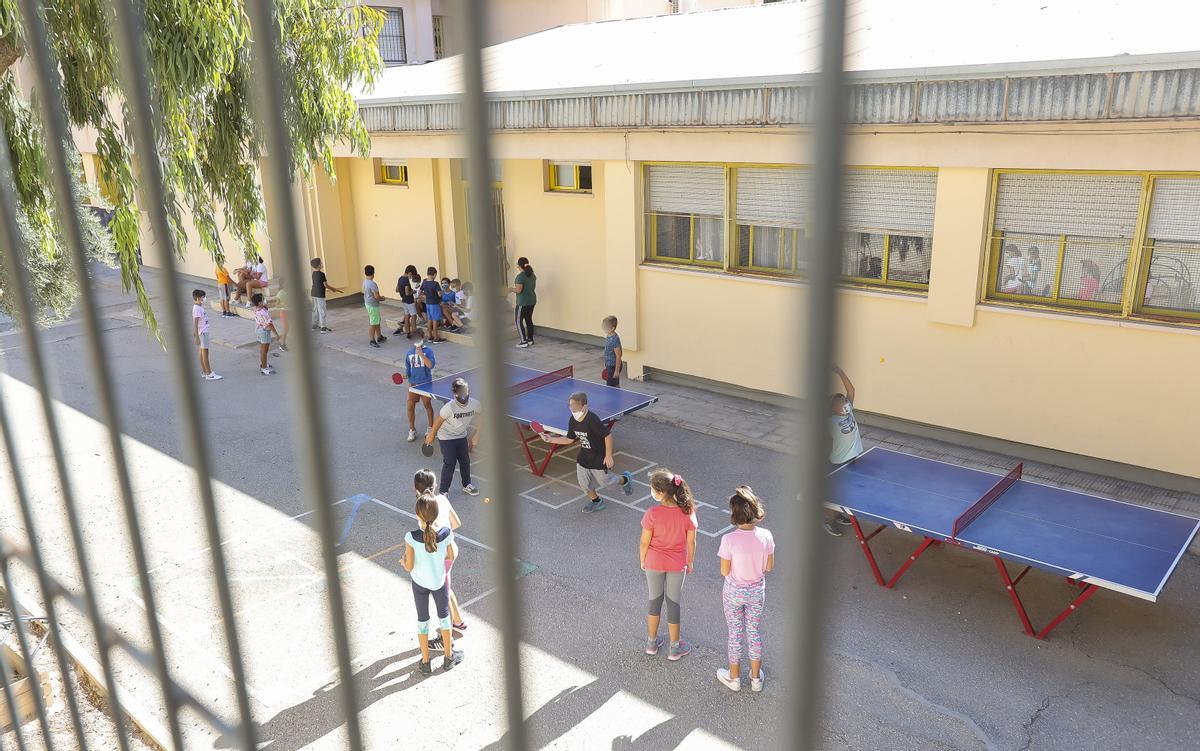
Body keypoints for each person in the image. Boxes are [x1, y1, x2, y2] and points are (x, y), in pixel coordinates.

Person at [716, 486, 774, 692]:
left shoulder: (729, 540)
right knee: (753, 632)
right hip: (757, 592)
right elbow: (768, 567)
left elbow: (724, 571)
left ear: (734, 515)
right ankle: (756, 679)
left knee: (735, 633)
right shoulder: (766, 536)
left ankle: (734, 678)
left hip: (733, 592)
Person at [538, 391, 633, 513]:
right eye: (570, 406)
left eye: (575, 406)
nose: (572, 409)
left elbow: (607, 436)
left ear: (584, 406)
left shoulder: (591, 419)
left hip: (598, 457)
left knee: (606, 482)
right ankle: (597, 501)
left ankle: (625, 479)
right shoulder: (573, 420)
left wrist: (608, 456)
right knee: (584, 484)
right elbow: (569, 439)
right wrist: (551, 439)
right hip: (584, 457)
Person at [400, 493, 463, 673]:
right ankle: (448, 658)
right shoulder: (446, 532)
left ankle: (426, 661)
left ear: (418, 515)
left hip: (420, 582)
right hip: (439, 581)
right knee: (444, 618)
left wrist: (404, 562)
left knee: (422, 620)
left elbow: (410, 566)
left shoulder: (411, 537)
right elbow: (451, 555)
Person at [639, 469, 697, 662]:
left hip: (653, 562)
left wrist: (643, 560)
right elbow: (691, 543)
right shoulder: (688, 513)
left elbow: (644, 542)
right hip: (676, 563)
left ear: (661, 492)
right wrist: (690, 562)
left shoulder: (652, 513)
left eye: (653, 489)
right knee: (673, 603)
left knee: (654, 600)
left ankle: (651, 643)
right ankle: (674, 647)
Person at [413, 469, 468, 634]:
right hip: (451, 550)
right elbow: (456, 523)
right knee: (446, 587)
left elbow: (427, 535)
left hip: (440, 556)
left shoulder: (421, 509)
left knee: (443, 592)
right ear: (435, 485)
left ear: (415, 489)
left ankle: (449, 633)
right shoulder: (442, 499)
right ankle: (458, 621)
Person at [424, 377, 481, 497]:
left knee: (465, 461)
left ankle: (467, 485)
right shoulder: (449, 407)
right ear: (454, 394)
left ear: (468, 391)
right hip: (446, 437)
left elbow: (482, 417)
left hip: (461, 436)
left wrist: (477, 434)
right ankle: (443, 491)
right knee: (450, 463)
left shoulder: (475, 404)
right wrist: (431, 435)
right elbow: (438, 421)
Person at [825, 365, 863, 536]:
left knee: (845, 490)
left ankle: (839, 515)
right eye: (842, 403)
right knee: (837, 495)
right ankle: (829, 520)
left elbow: (851, 389)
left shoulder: (849, 412)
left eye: (846, 401)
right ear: (833, 408)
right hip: (838, 462)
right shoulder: (830, 422)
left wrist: (840, 372)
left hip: (851, 458)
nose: (846, 404)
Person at [405, 329, 436, 443]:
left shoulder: (429, 351)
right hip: (413, 384)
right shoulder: (408, 353)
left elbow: (430, 365)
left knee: (427, 405)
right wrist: (406, 375)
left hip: (426, 383)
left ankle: (431, 428)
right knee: (410, 406)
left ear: (423, 337)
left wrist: (421, 354)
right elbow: (408, 369)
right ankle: (412, 430)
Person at [192, 289, 221, 380]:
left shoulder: (199, 307)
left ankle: (204, 371)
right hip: (203, 333)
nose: (204, 298)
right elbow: (195, 322)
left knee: (202, 352)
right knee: (205, 352)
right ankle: (209, 373)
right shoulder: (197, 309)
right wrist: (196, 336)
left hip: (203, 332)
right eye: (203, 297)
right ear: (197, 298)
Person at [310, 257, 342, 333]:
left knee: (315, 309)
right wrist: (333, 289)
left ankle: (314, 325)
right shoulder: (322, 274)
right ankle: (323, 327)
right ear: (318, 266)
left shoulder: (313, 273)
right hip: (320, 294)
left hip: (313, 293)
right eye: (321, 263)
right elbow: (326, 285)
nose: (322, 264)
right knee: (322, 310)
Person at [511, 257, 536, 348]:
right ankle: (530, 339)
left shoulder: (520, 277)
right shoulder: (532, 275)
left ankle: (523, 341)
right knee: (529, 319)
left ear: (519, 265)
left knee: (518, 321)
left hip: (522, 303)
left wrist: (510, 289)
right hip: (532, 301)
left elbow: (518, 290)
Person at [252, 293, 279, 375]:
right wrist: (277, 335)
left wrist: (264, 306)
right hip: (264, 331)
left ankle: (264, 364)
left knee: (263, 349)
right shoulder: (263, 312)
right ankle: (264, 368)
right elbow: (270, 324)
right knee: (264, 350)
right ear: (259, 303)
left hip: (259, 329)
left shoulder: (256, 309)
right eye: (263, 299)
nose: (264, 300)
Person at [419, 267, 446, 343]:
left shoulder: (424, 282)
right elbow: (440, 294)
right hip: (435, 304)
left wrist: (426, 296)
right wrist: (442, 292)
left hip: (428, 303)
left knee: (429, 320)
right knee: (435, 321)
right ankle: (436, 337)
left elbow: (420, 293)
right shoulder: (435, 283)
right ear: (434, 274)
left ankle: (430, 336)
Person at [362, 264, 387, 348]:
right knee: (373, 322)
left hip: (368, 303)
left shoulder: (365, 281)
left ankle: (379, 336)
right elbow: (377, 296)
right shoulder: (373, 284)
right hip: (373, 305)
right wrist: (382, 298)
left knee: (376, 320)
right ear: (373, 273)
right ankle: (372, 340)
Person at [393, 264, 420, 337]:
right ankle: (414, 331)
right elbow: (407, 292)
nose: (411, 277)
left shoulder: (400, 278)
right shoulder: (406, 280)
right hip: (409, 301)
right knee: (414, 316)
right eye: (411, 275)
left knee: (407, 316)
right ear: (410, 273)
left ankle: (408, 332)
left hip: (404, 300)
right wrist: (413, 291)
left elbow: (397, 290)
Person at [602, 315, 623, 387]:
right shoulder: (609, 335)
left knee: (610, 388)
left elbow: (618, 355)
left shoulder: (614, 339)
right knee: (616, 385)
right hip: (609, 365)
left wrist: (616, 371)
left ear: (612, 328)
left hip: (613, 367)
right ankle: (620, 397)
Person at [274, 277, 289, 354]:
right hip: (284, 312)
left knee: (288, 329)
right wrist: (284, 305)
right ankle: (282, 344)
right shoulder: (280, 293)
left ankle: (281, 338)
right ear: (283, 284)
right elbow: (276, 305)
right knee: (286, 329)